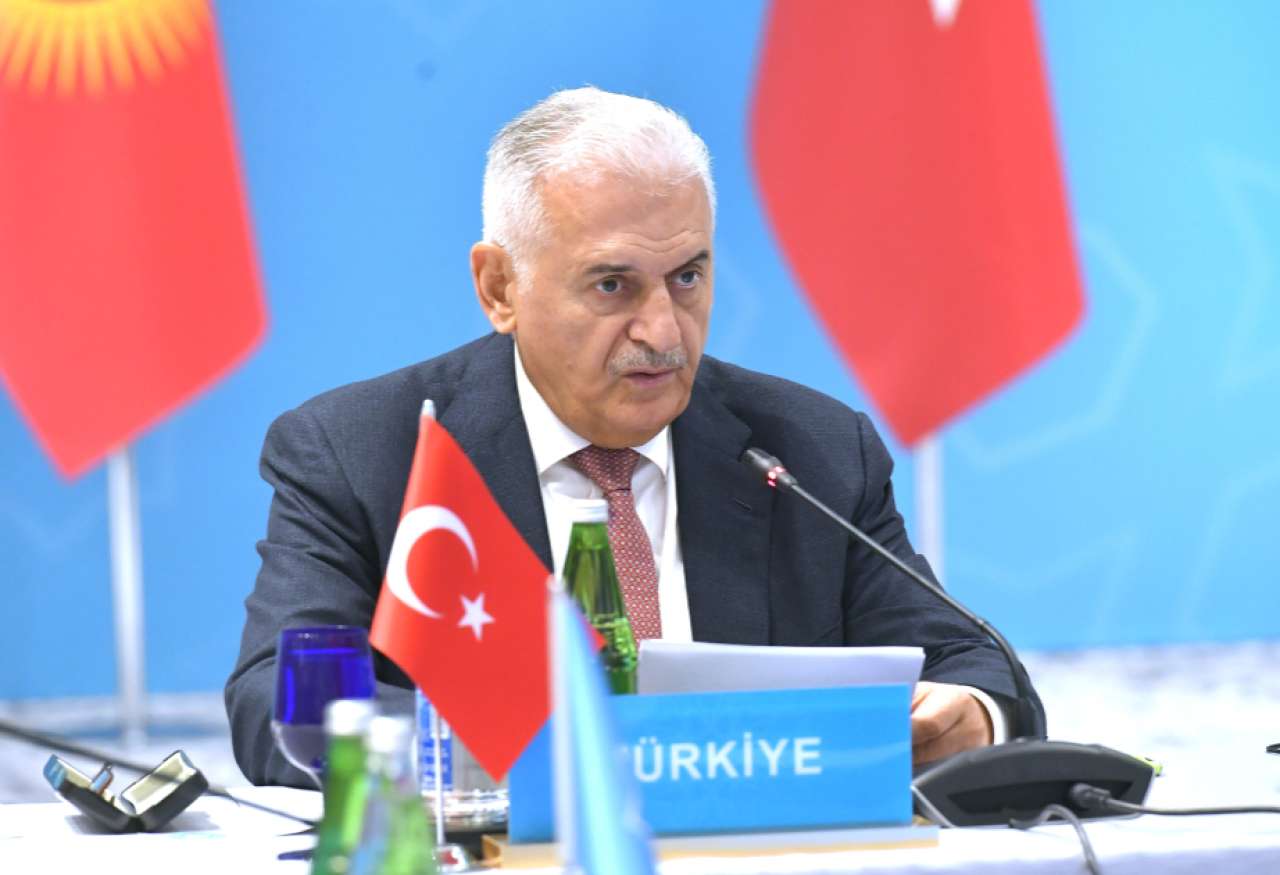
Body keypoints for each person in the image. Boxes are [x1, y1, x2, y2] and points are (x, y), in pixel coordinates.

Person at [226, 87, 1045, 787]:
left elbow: (976, 670)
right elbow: (275, 705)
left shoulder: (812, 450)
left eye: (687, 276)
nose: (663, 331)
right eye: (612, 284)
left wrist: (972, 714)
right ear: (499, 286)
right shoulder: (363, 453)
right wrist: (534, 755)